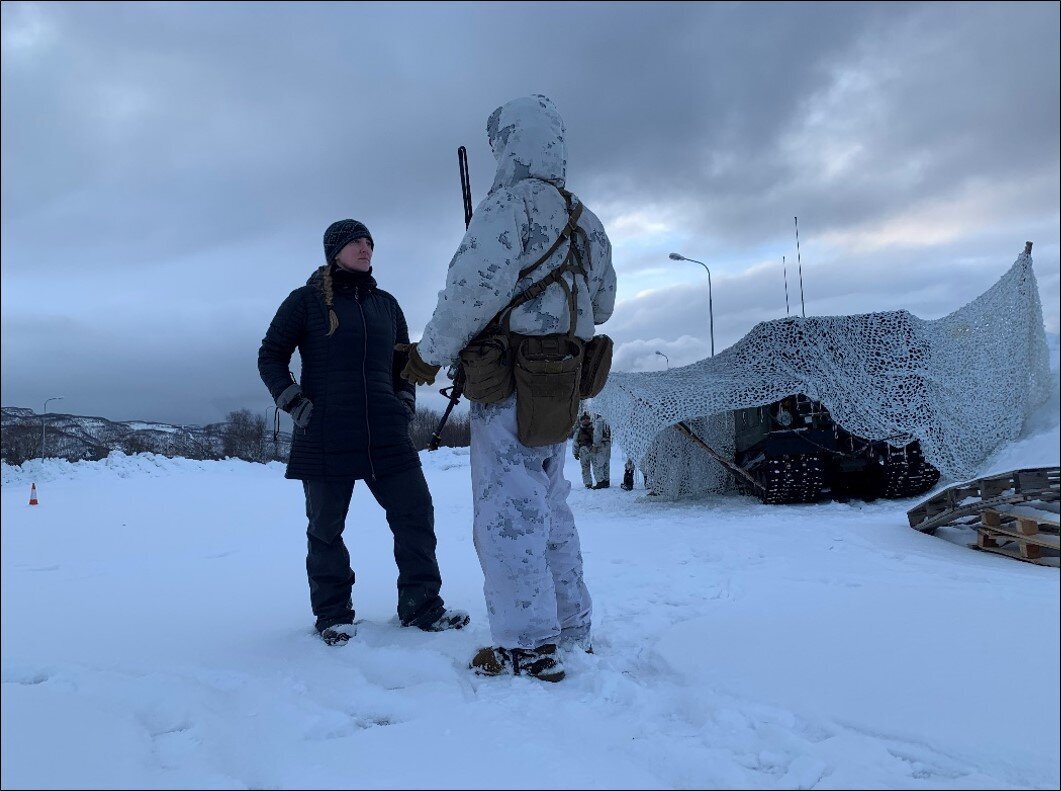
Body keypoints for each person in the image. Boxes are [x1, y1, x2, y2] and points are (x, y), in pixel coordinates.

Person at [398, 95, 616, 681]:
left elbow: (470, 293)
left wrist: (427, 356)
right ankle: (572, 628)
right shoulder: (585, 220)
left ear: (509, 144)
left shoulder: (507, 207)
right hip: (564, 386)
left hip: (512, 387)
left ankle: (528, 644)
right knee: (553, 508)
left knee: (508, 515)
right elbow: (604, 303)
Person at [258, 219, 469, 646]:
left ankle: (422, 606)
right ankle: (334, 615)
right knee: (325, 529)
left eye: (369, 240)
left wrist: (405, 402)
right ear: (334, 251)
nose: (365, 246)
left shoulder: (387, 305)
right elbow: (270, 356)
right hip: (325, 431)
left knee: (415, 515)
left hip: (386, 432)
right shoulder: (305, 302)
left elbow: (404, 364)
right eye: (355, 240)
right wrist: (295, 403)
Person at [572, 412, 609, 489]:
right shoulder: (578, 430)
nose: (585, 420)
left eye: (587, 419)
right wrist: (575, 452)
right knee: (585, 468)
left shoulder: (595, 427)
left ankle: (600, 481)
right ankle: (587, 483)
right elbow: (575, 442)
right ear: (581, 420)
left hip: (593, 450)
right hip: (583, 451)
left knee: (597, 466)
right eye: (583, 419)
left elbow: (598, 437)